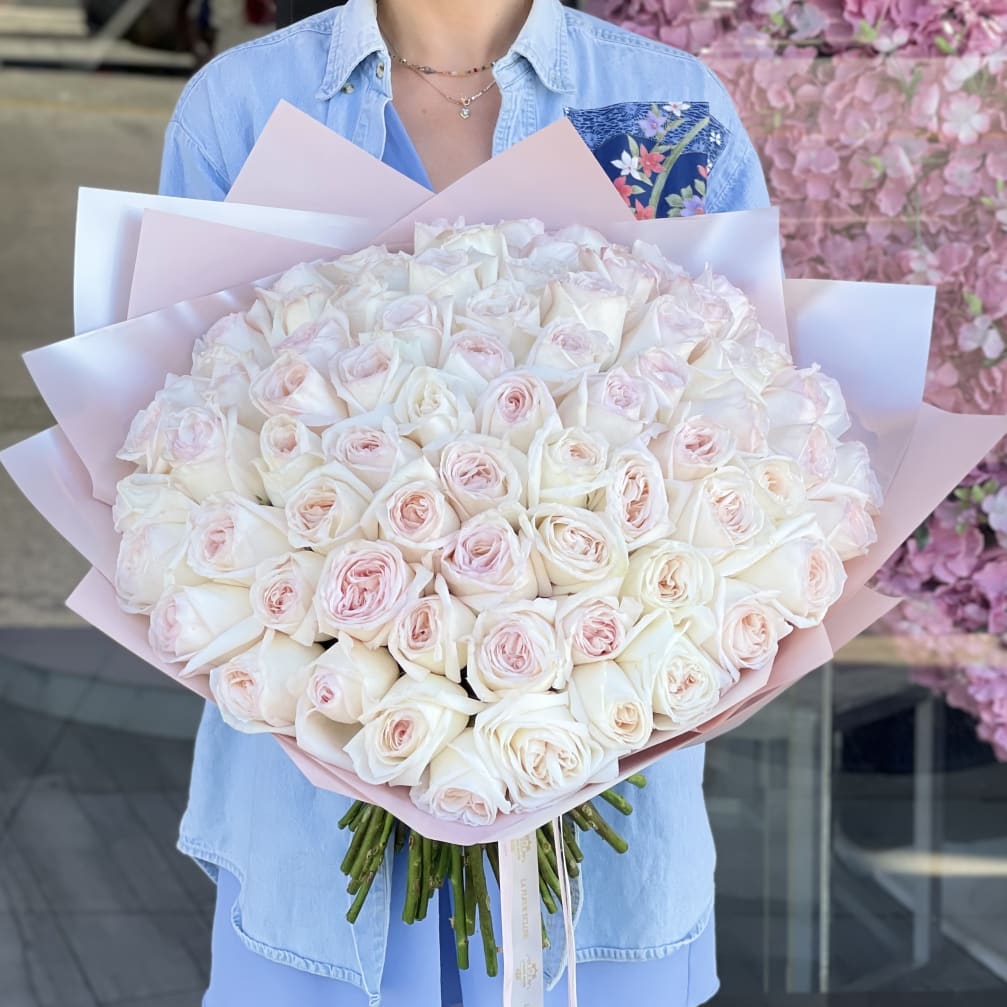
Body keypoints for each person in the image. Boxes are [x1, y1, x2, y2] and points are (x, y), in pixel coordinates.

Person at [158, 1, 770, 1003]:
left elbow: (746, 420)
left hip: (597, 800)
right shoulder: (243, 108)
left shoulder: (660, 109)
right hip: (314, 802)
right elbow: (172, 454)